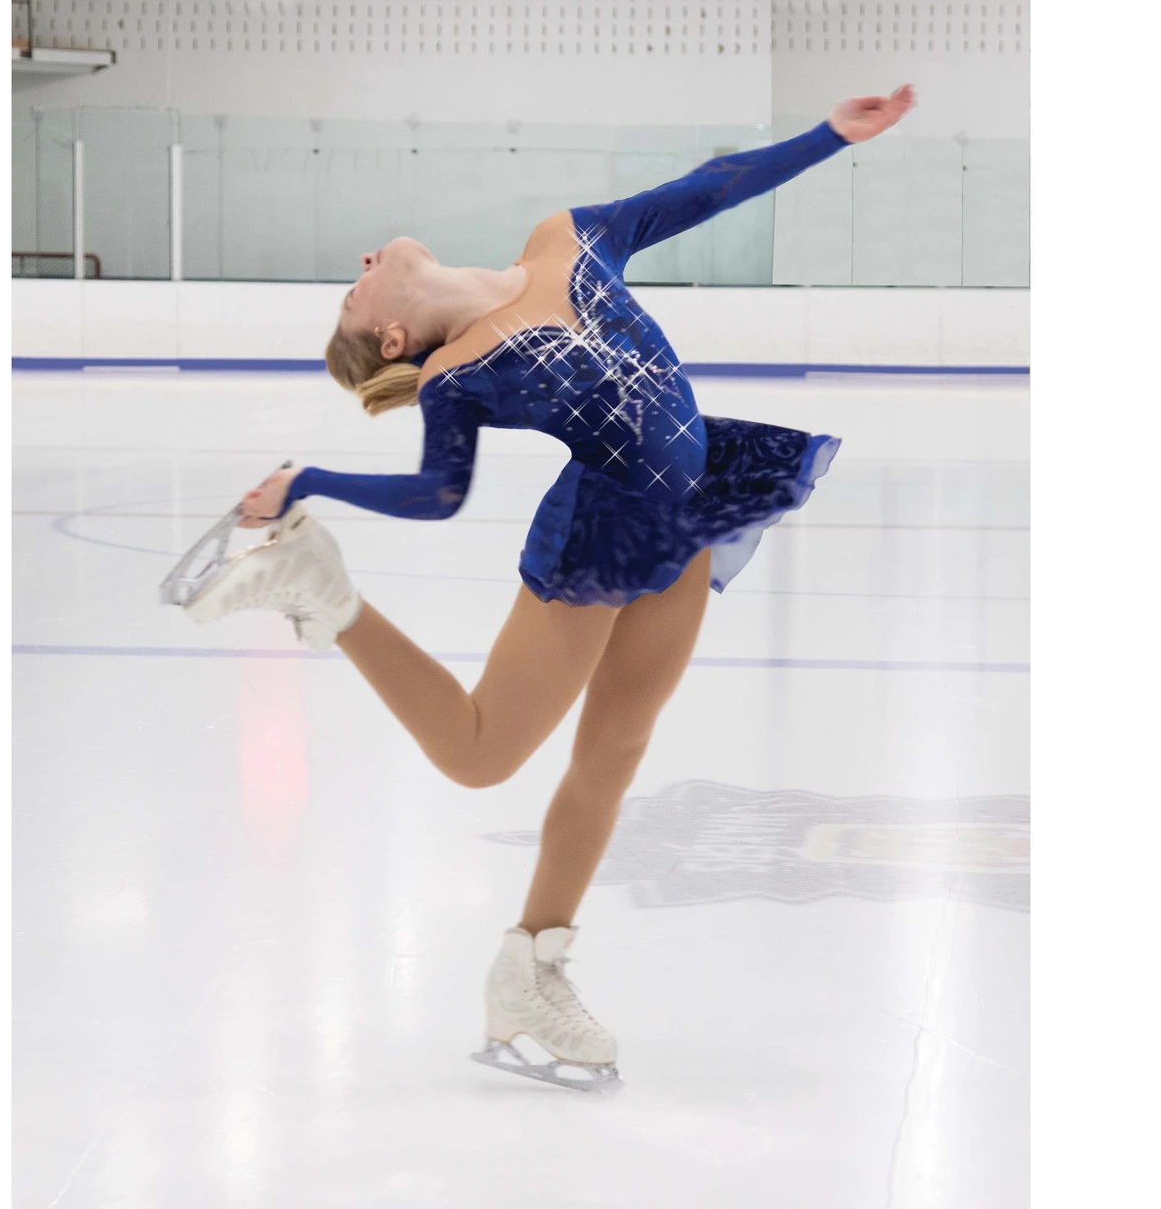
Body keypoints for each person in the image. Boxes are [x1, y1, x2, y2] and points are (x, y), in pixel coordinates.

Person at [182, 85, 917, 1090]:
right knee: (479, 753)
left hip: (690, 506)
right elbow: (439, 494)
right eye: (355, 293)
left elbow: (708, 189)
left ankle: (531, 967)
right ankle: (322, 589)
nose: (361, 264)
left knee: (616, 747)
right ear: (394, 339)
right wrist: (311, 481)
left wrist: (830, 135)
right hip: (602, 532)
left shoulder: (566, 239)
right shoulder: (456, 374)